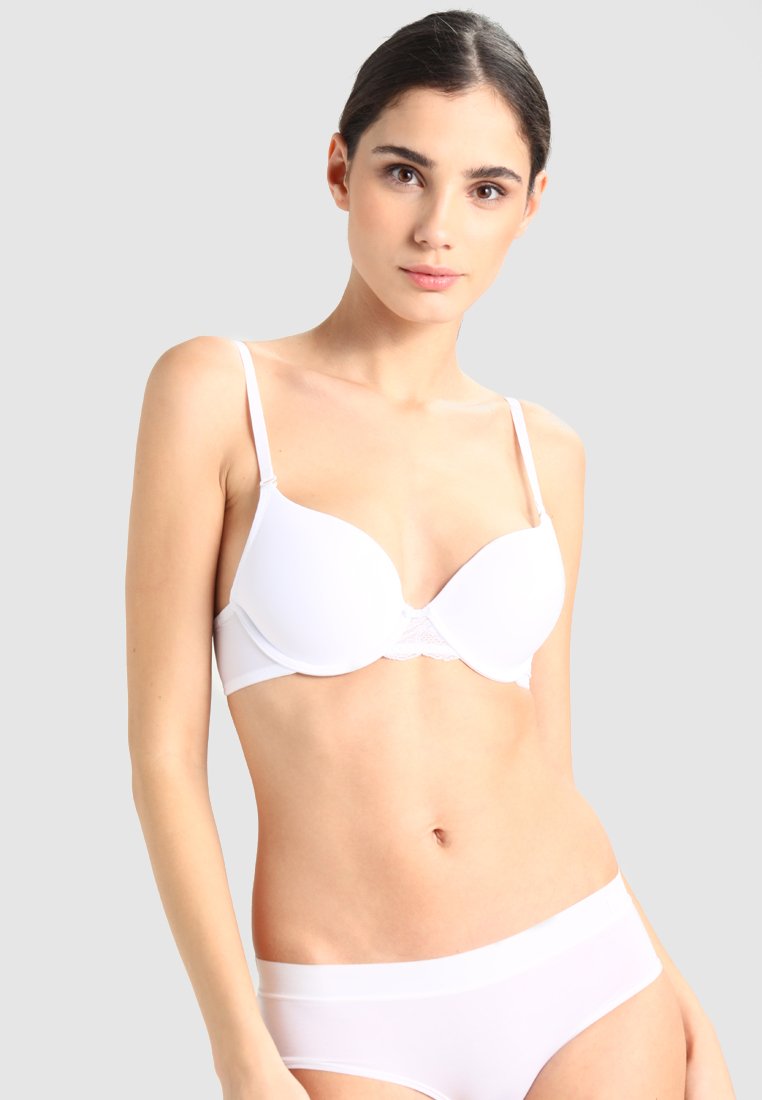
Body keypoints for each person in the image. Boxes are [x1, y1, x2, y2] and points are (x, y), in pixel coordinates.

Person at [126, 10, 736, 1100]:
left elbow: (546, 761)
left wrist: (678, 989)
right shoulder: (219, 394)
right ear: (339, 169)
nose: (437, 229)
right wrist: (240, 1050)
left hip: (588, 977)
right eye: (404, 173)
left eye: (486, 189)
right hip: (349, 1008)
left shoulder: (545, 452)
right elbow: (166, 756)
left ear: (531, 206)